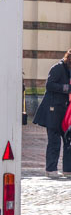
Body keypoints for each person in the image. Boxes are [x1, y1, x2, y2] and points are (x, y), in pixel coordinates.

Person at [33, 48, 71, 177]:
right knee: (54, 141)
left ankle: (68, 170)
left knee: (68, 140)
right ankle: (51, 170)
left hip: (64, 111)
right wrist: (67, 88)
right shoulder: (58, 68)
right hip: (53, 110)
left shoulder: (68, 70)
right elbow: (49, 85)